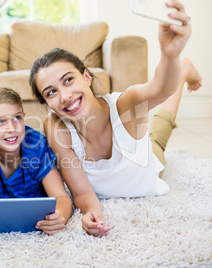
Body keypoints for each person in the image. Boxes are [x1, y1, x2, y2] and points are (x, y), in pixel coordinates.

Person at [28, 0, 201, 237]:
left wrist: (170, 55)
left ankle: (182, 69)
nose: (65, 96)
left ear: (86, 77)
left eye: (68, 80)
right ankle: (181, 71)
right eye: (51, 92)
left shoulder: (125, 105)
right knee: (156, 131)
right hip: (133, 140)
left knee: (158, 139)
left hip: (146, 165)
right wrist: (91, 211)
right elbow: (81, 193)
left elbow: (159, 88)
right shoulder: (55, 125)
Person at [0, 83, 72, 236]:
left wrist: (60, 215)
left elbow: (61, 196)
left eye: (17, 118)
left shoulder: (37, 144)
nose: (12, 127)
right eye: (0, 121)